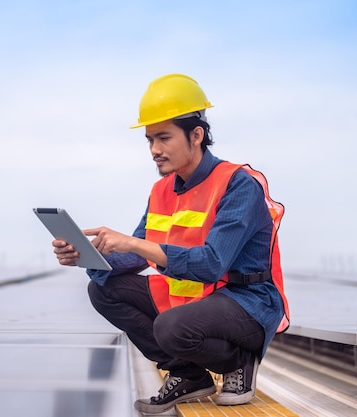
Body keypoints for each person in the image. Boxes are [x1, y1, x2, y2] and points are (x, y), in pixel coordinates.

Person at [52, 73, 289, 414]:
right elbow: (135, 257)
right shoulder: (161, 190)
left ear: (196, 135)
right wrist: (84, 257)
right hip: (196, 297)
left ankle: (239, 360)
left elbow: (211, 264)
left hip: (246, 302)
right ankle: (189, 375)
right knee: (103, 289)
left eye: (163, 138)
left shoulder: (238, 185)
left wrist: (132, 244)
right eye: (149, 140)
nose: (154, 151)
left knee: (171, 327)